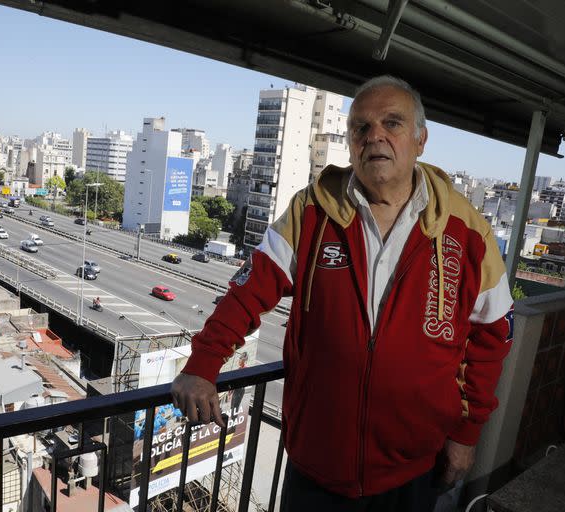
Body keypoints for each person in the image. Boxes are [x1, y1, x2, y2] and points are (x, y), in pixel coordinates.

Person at [171, 75, 513, 512]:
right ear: (349, 142)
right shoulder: (311, 210)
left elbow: (493, 336)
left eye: (392, 123)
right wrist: (203, 364)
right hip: (316, 469)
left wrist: (466, 435)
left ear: (421, 139)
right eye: (361, 128)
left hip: (413, 472)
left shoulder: (467, 231)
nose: (375, 137)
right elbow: (248, 290)